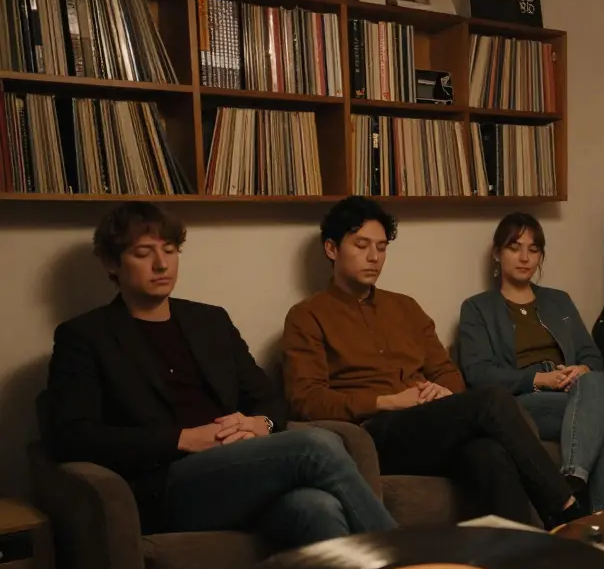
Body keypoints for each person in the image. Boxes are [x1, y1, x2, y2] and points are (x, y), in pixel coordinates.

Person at [46, 202, 397, 548]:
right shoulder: (85, 336)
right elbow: (72, 436)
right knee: (316, 446)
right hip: (166, 484)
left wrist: (261, 424)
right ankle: (407, 560)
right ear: (111, 263)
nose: (161, 264)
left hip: (241, 467)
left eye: (170, 250)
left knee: (317, 507)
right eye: (143, 253)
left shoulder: (209, 321)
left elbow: (267, 398)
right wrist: (183, 439)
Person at [280, 196, 583, 529]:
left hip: (428, 425)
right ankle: (567, 510)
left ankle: (516, 553)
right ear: (331, 249)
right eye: (361, 245)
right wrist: (388, 401)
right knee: (493, 400)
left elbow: (447, 372)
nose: (374, 257)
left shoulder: (406, 308)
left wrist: (441, 391)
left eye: (381, 247)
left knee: (488, 453)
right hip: (374, 433)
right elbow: (306, 400)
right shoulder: (307, 316)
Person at [456, 213, 604, 513]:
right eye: (514, 247)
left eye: (533, 250)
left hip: (572, 393)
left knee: (598, 380)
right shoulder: (477, 308)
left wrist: (580, 370)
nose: (525, 258)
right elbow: (478, 373)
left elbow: (591, 355)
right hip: (522, 402)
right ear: (497, 253)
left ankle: (574, 479)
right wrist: (537, 379)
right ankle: (600, 516)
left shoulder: (559, 301)